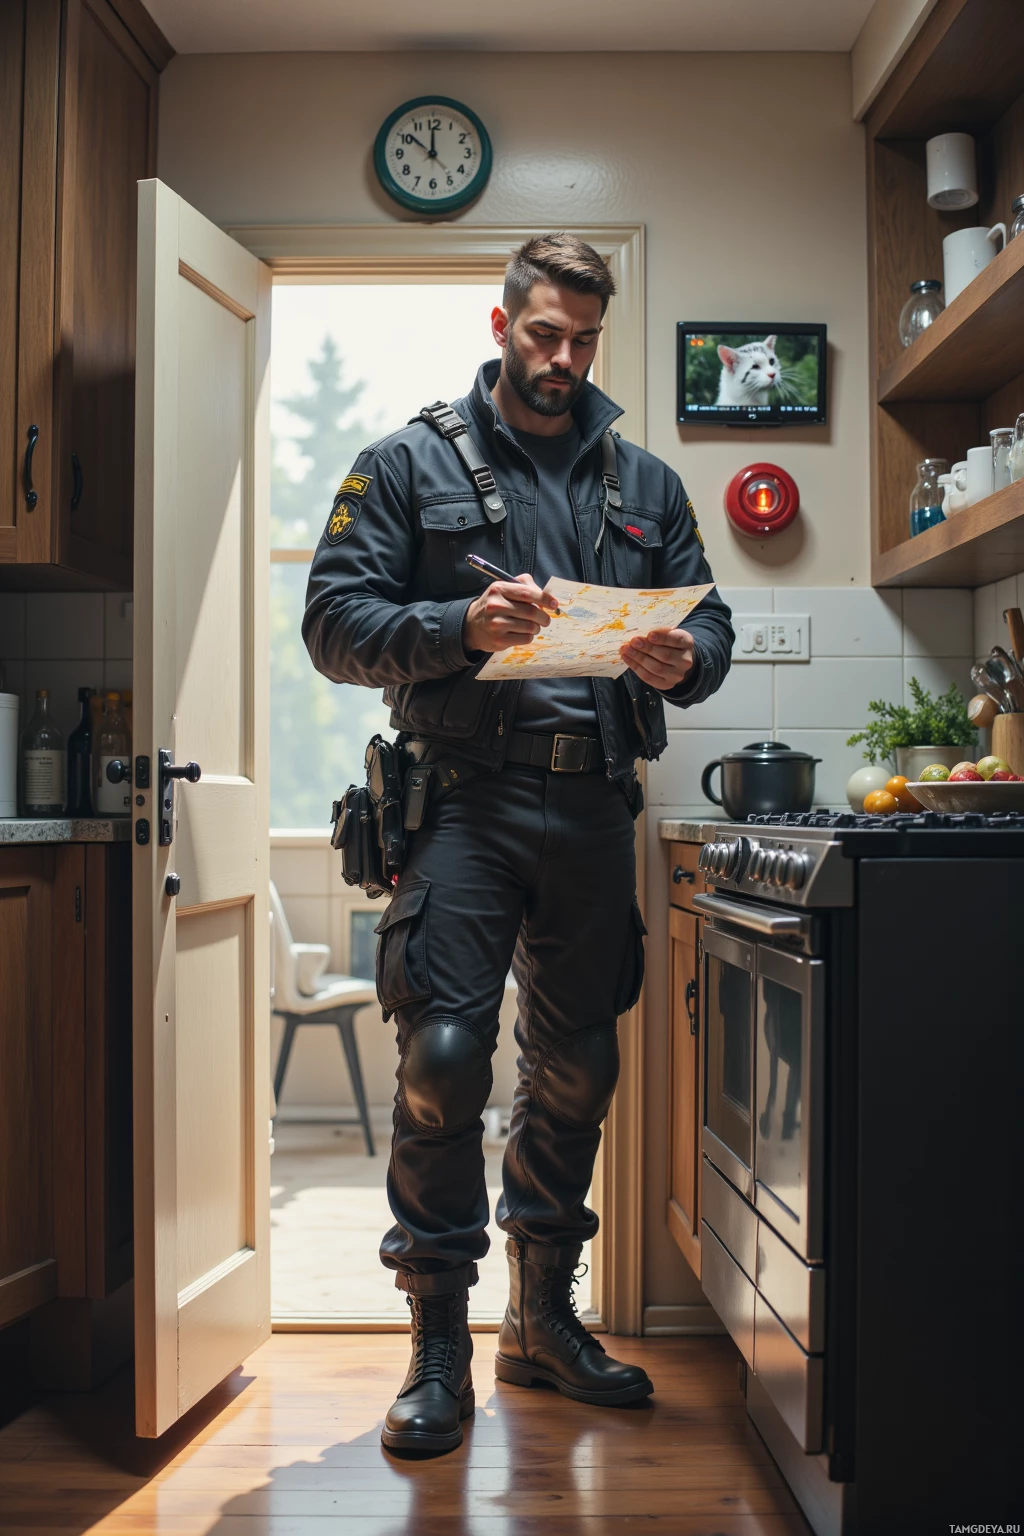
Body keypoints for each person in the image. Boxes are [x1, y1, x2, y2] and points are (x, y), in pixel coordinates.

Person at [303, 233, 734, 1456]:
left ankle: (542, 1320)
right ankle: (437, 1343)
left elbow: (709, 620)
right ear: (500, 325)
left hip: (595, 803)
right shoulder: (403, 461)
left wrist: (683, 656)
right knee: (442, 1059)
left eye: (584, 339)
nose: (563, 359)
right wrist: (457, 624)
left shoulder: (642, 481)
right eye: (544, 334)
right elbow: (334, 624)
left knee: (579, 1069)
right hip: (462, 806)